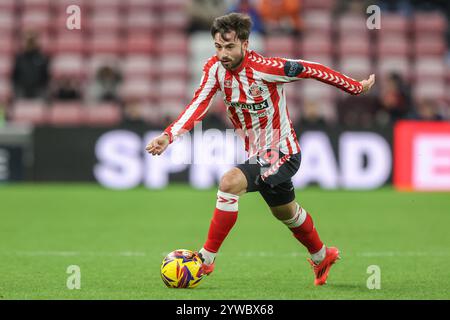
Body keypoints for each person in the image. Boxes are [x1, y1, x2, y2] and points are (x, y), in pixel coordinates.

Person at [146, 13, 375, 286]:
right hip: (259, 155)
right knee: (286, 213)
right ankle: (322, 255)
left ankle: (205, 260)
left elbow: (310, 68)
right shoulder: (214, 69)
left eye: (229, 47)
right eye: (218, 47)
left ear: (245, 43)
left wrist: (354, 87)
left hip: (284, 152)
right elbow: (199, 104)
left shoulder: (266, 68)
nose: (222, 54)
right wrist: (168, 135)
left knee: (229, 182)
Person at [11, 32, 50, 100]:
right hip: (22, 92)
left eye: (32, 40)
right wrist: (17, 90)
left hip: (38, 92)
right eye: (28, 40)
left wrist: (42, 90)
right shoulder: (19, 58)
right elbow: (14, 76)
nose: (30, 43)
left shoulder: (42, 58)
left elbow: (46, 77)